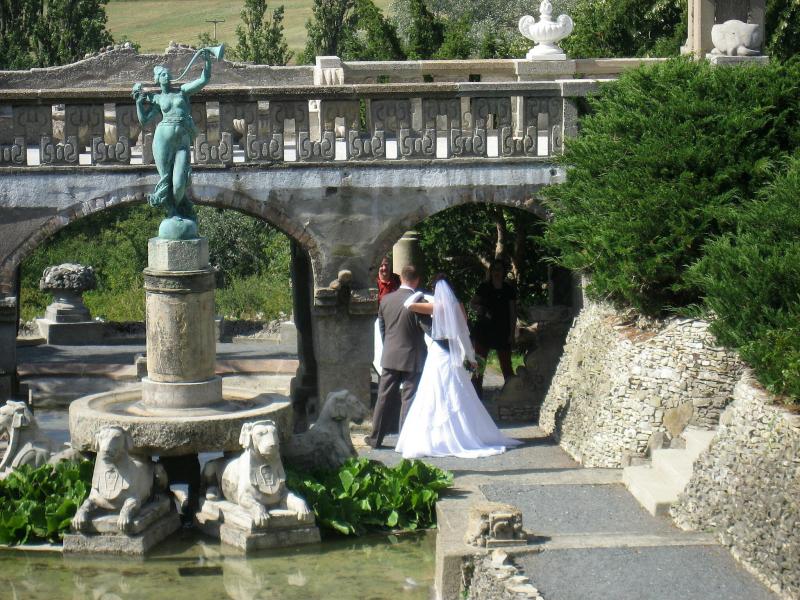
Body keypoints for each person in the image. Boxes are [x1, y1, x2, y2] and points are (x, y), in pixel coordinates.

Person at [395, 276, 521, 458]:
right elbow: (463, 333)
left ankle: (436, 436)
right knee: (457, 391)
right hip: (452, 354)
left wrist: (420, 295)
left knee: (433, 391)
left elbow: (408, 305)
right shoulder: (457, 306)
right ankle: (464, 432)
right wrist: (470, 356)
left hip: (438, 353)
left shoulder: (435, 306)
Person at [132, 51, 212, 239]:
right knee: (165, 179)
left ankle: (180, 206)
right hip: (162, 141)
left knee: (178, 183)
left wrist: (207, 62)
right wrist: (138, 102)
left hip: (182, 141)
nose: (166, 76)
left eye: (168, 74)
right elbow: (144, 121)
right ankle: (173, 212)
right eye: (162, 75)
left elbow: (203, 80)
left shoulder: (182, 91)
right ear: (157, 79)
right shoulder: (157, 99)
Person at [365, 265, 430, 449]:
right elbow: (428, 329)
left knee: (384, 398)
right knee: (409, 398)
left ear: (401, 278)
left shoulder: (386, 299)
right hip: (413, 356)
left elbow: (382, 329)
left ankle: (375, 439)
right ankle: (405, 440)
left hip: (391, 355)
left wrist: (390, 346)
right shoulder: (419, 301)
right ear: (417, 280)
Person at [470, 259, 518, 398]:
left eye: (499, 269)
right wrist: (480, 308)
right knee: (479, 363)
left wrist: (512, 333)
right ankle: (475, 395)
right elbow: (472, 304)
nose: (497, 272)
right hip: (484, 329)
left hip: (502, 330)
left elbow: (513, 313)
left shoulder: (508, 289)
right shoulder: (484, 287)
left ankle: (512, 393)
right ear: (490, 272)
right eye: (494, 269)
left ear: (503, 272)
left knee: (506, 365)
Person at [373, 256, 402, 374]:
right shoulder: (373, 282)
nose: (384, 268)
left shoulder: (398, 280)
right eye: (381, 265)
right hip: (377, 320)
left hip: (396, 320)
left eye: (386, 265)